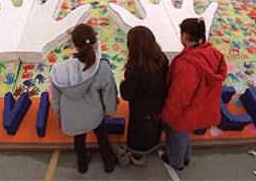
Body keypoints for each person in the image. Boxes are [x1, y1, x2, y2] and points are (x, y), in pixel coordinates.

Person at [160, 18, 227, 170]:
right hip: (202, 106)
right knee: (184, 135)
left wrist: (168, 114)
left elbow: (179, 96)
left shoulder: (186, 65)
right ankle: (186, 157)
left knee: (176, 135)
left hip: (185, 111)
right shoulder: (213, 53)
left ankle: (176, 162)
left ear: (185, 35)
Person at [51, 23, 118, 174]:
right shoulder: (102, 67)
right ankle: (108, 163)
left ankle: (82, 165)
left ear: (73, 44)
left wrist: (59, 112)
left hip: (72, 115)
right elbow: (109, 93)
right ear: (94, 42)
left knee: (79, 139)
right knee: (102, 136)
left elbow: (55, 96)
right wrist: (109, 110)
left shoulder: (59, 70)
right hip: (95, 114)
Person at [119, 26, 169, 167]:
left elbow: (127, 94)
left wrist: (123, 84)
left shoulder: (135, 70)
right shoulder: (162, 59)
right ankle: (152, 145)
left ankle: (138, 156)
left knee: (139, 134)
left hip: (141, 110)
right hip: (157, 105)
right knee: (153, 127)